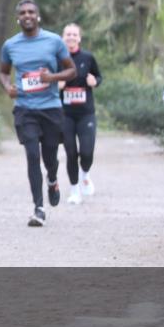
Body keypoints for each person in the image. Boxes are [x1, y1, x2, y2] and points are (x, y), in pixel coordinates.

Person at [0, 0, 77, 227]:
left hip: (51, 109)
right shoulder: (10, 45)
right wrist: (7, 87)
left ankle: (52, 179)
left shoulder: (53, 41)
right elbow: (3, 72)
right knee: (32, 156)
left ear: (38, 16)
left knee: (49, 158)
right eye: (22, 12)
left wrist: (51, 78)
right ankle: (39, 208)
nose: (27, 15)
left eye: (31, 12)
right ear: (18, 18)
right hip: (25, 109)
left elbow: (71, 70)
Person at [59, 23, 102, 204]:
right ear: (63, 37)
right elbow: (49, 80)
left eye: (74, 34)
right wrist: (57, 85)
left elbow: (98, 77)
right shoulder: (57, 59)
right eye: (68, 34)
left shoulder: (88, 57)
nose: (71, 37)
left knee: (86, 152)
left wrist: (95, 81)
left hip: (86, 114)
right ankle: (74, 190)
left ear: (79, 38)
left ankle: (85, 173)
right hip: (65, 114)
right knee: (70, 153)